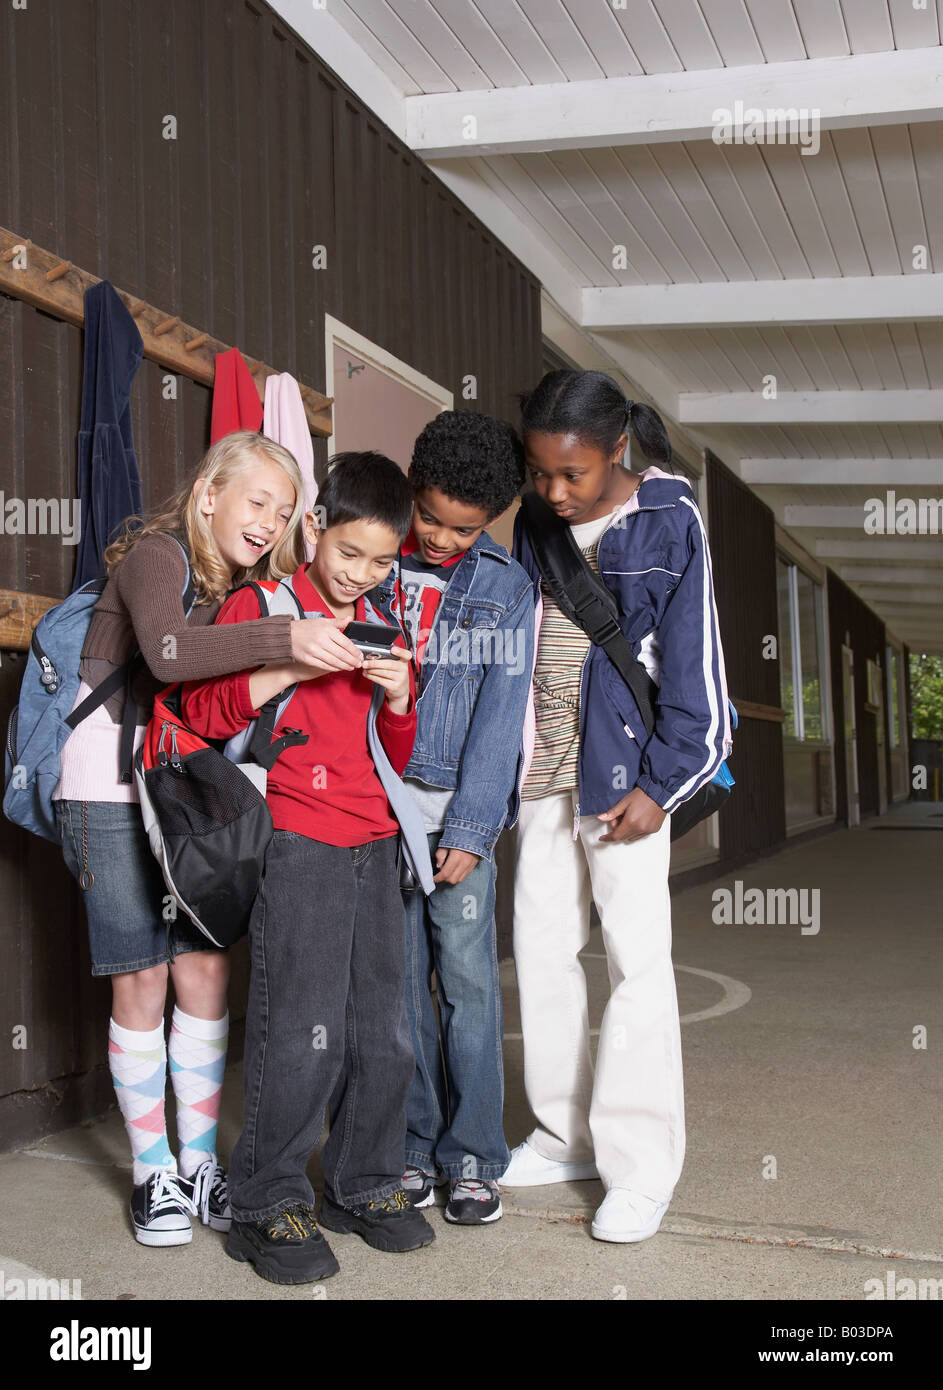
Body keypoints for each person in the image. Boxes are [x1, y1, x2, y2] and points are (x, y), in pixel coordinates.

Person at [53, 428, 341, 1247]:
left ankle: (201, 1162)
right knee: (140, 977)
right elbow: (170, 655)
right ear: (209, 492)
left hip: (179, 783)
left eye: (283, 511)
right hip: (105, 783)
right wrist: (286, 640)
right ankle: (154, 1175)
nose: (267, 520)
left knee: (206, 969)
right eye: (256, 501)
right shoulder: (156, 555)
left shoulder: (243, 586)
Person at [180, 452, 436, 1285]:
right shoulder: (265, 602)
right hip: (296, 837)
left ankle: (362, 1182)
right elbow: (202, 710)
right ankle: (265, 1200)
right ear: (315, 526)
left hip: (375, 840)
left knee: (385, 1031)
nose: (362, 575)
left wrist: (401, 700)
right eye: (349, 552)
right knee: (302, 1031)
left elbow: (394, 750)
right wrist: (292, 658)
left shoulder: (388, 622)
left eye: (382, 561)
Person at [503, 370, 731, 1243]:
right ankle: (565, 1136)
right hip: (541, 777)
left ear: (615, 452)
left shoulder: (670, 520)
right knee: (542, 953)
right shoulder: (533, 523)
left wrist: (656, 787)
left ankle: (638, 1169)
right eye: (540, 473)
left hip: (624, 784)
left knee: (636, 968)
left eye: (575, 475)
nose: (555, 493)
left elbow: (698, 680)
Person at [369, 411, 534, 1225]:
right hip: (373, 813)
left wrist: (471, 832)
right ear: (410, 491)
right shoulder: (367, 562)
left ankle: (472, 1156)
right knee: (395, 988)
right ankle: (409, 1145)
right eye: (428, 516)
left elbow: (501, 721)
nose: (438, 538)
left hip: (452, 820)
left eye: (461, 529)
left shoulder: (505, 588)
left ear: (492, 519)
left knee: (466, 983)